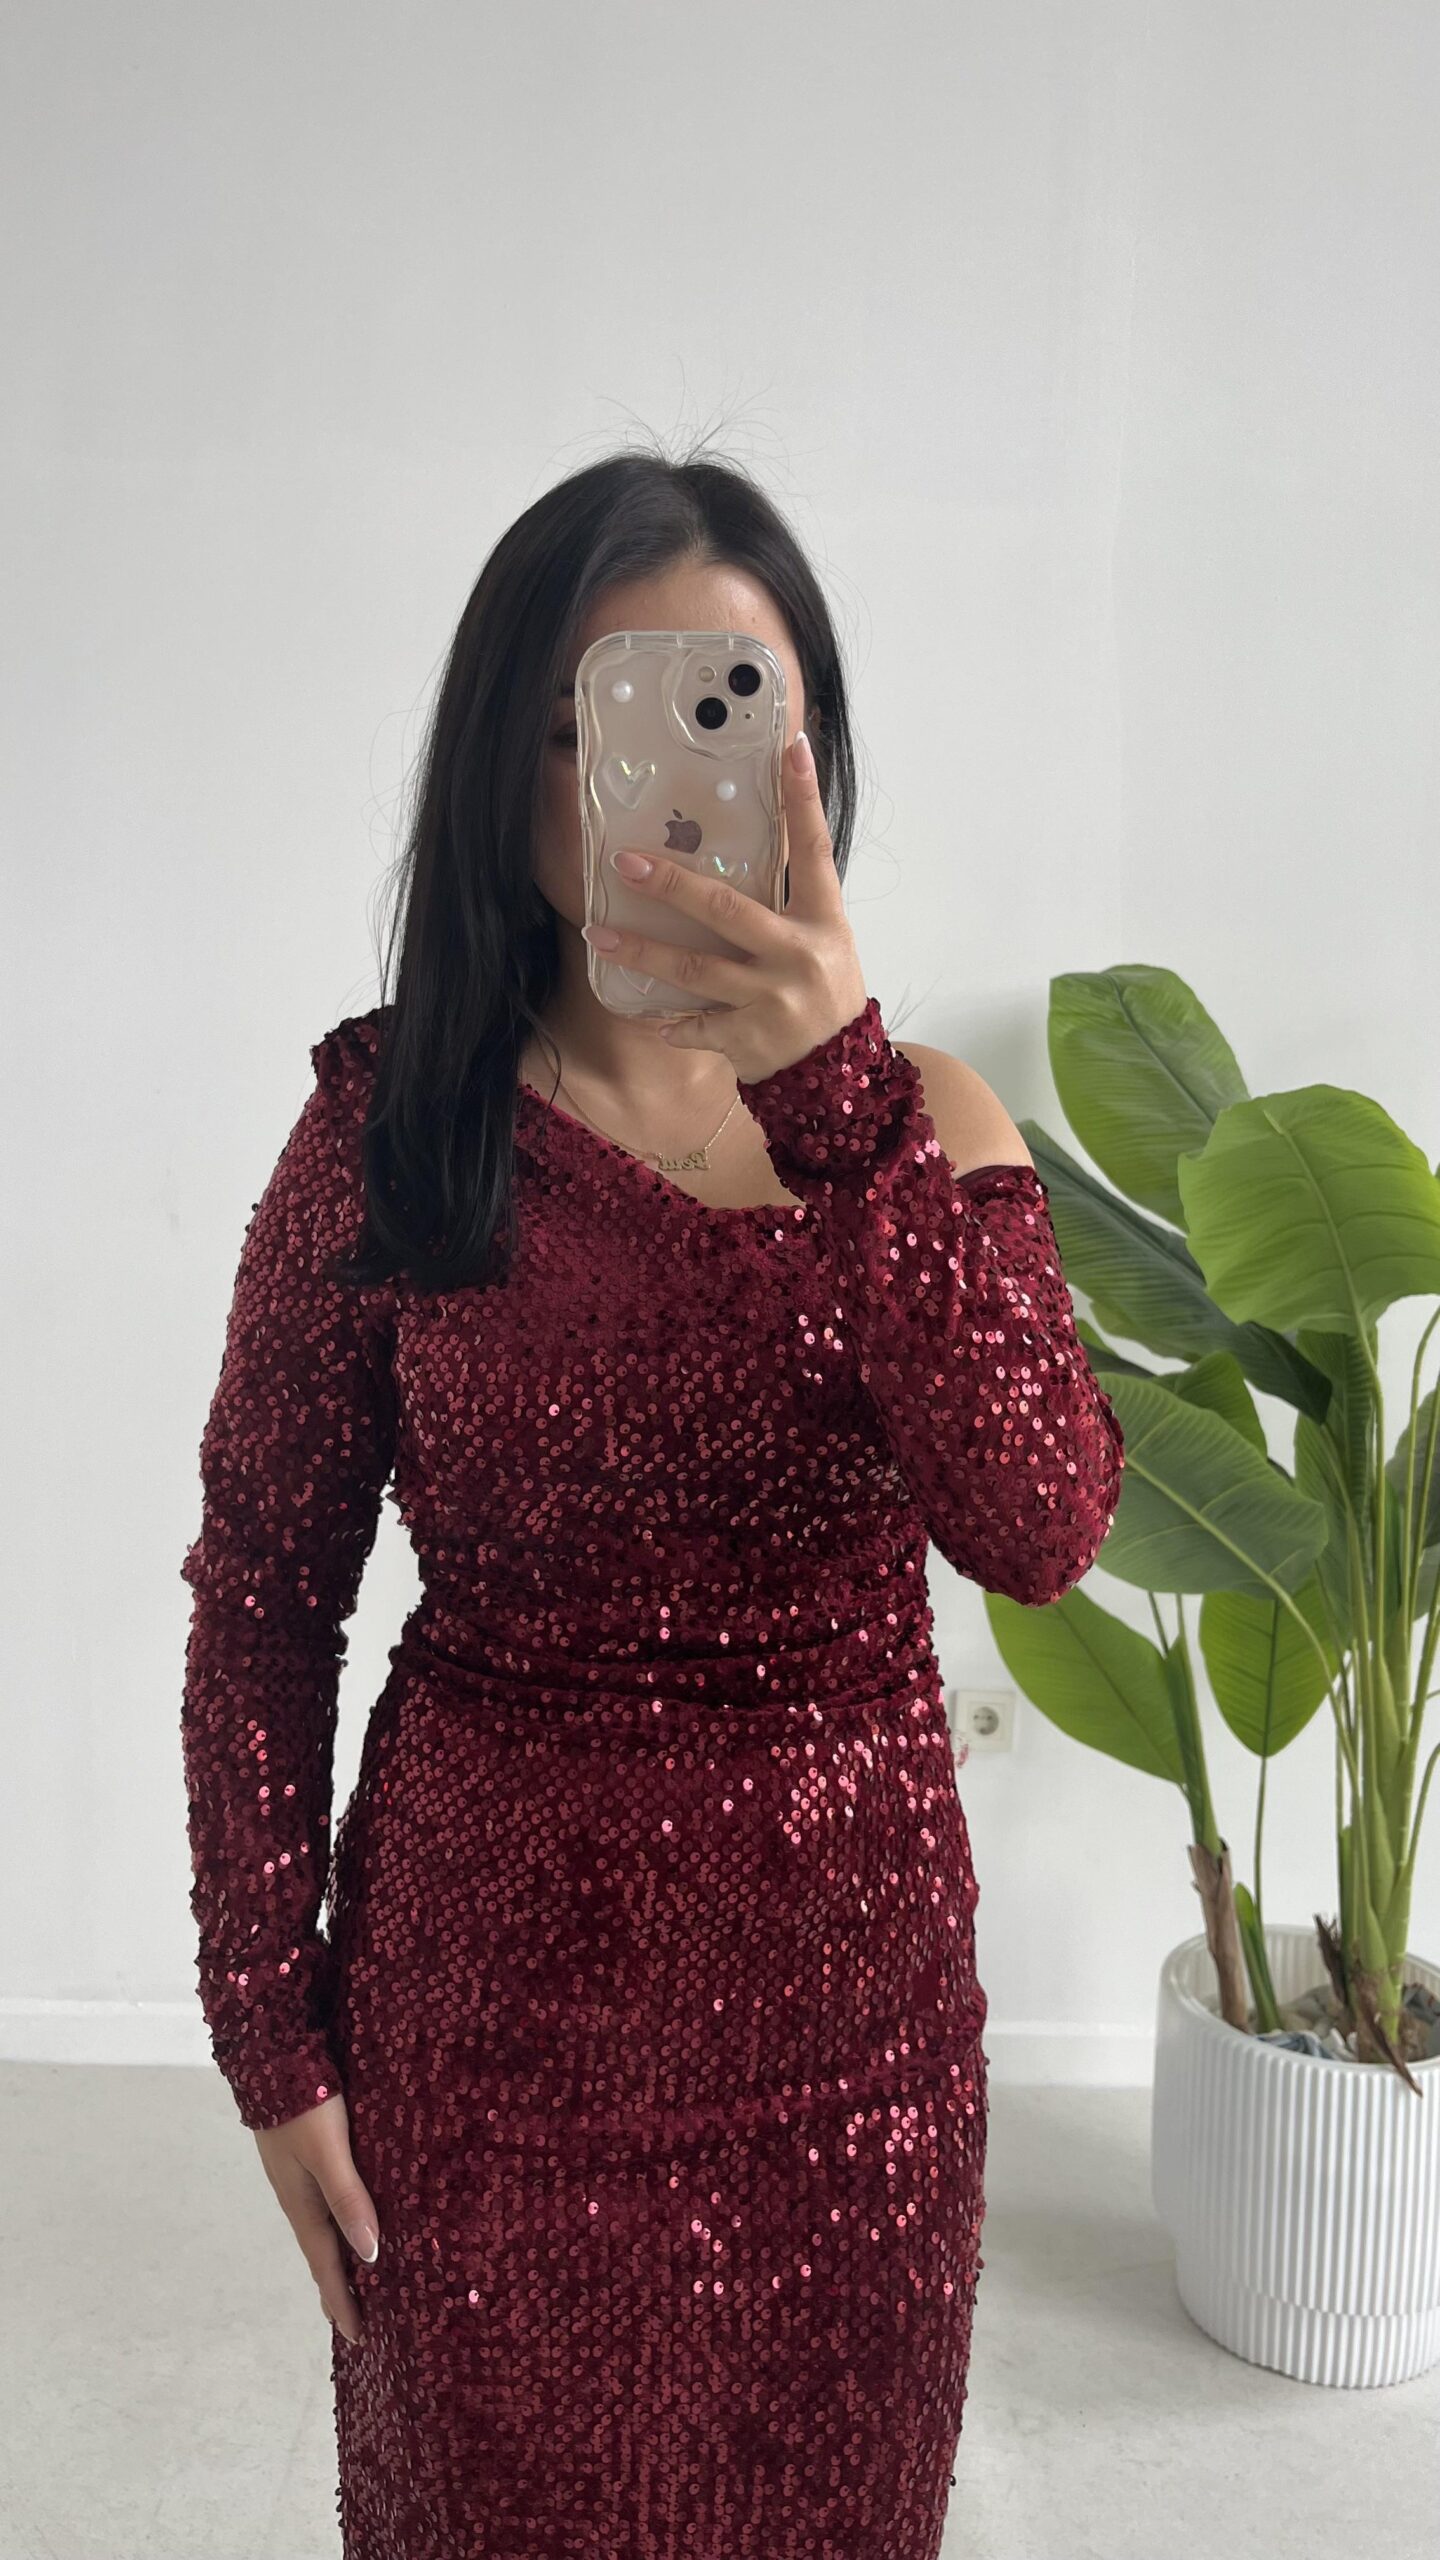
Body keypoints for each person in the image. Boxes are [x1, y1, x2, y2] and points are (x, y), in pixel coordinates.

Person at [178, 446, 1126, 2560]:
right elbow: (262, 1594)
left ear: (809, 756)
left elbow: (1044, 1523)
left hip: (855, 2061)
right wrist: (267, 2023)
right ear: (498, 769)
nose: (637, 789)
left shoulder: (929, 1125)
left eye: (725, 705)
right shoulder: (390, 1136)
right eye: (573, 726)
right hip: (481, 2041)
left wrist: (843, 1105)